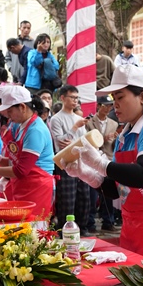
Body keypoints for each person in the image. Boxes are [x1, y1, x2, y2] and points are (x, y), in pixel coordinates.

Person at [66, 64, 143, 265]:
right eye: (114, 99)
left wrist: (99, 162)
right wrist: (86, 173)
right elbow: (117, 189)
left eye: (120, 97)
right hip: (132, 226)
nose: (115, 105)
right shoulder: (126, 135)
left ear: (142, 97)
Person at [0, 86, 55, 219]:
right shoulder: (20, 126)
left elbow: (21, 170)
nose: (8, 115)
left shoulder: (35, 130)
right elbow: (15, 160)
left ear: (22, 107)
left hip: (37, 186)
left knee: (34, 229)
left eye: (10, 111)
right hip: (23, 185)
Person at [48, 84, 94, 235]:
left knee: (84, 198)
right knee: (67, 200)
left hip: (81, 161)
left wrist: (74, 139)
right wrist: (74, 128)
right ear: (62, 98)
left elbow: (83, 141)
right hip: (64, 164)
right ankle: (65, 230)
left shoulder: (79, 118)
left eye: (77, 98)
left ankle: (83, 227)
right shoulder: (56, 119)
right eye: (72, 97)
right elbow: (61, 143)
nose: (75, 101)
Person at [85, 95, 120, 232]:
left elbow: (112, 147)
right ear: (98, 106)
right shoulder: (89, 122)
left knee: (108, 193)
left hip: (107, 160)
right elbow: (86, 141)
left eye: (110, 106)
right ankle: (90, 223)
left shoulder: (113, 124)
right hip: (93, 160)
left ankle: (108, 221)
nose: (108, 108)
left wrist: (114, 140)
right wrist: (103, 139)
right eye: (105, 105)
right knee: (92, 195)